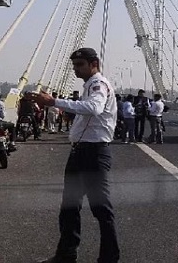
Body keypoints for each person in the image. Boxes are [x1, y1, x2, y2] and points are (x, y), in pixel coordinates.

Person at [27, 47, 120, 263]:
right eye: (74, 66)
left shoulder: (98, 85)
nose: (76, 69)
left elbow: (94, 108)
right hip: (79, 152)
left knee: (102, 210)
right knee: (69, 207)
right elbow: (84, 113)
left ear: (93, 64)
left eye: (80, 65)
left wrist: (53, 102)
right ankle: (66, 254)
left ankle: (109, 259)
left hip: (95, 154)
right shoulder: (88, 87)